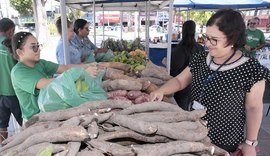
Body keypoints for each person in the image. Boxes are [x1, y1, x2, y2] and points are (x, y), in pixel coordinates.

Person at [150, 9, 269, 155]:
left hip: (224, 141)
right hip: (193, 132)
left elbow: (254, 108)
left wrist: (250, 142)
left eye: (215, 39)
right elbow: (180, 81)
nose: (208, 43)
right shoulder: (200, 58)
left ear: (233, 38)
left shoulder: (251, 70)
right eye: (207, 37)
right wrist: (161, 90)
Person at [8, 32, 98, 120]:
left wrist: (87, 66)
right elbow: (47, 83)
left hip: (49, 112)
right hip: (35, 120)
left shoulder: (39, 63)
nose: (38, 50)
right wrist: (82, 73)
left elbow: (65, 68)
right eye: (33, 47)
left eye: (38, 46)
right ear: (20, 52)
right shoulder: (18, 72)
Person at [170, 20, 204, 110]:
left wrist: (167, 63)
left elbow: (175, 67)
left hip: (182, 87)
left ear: (183, 30)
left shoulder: (181, 48)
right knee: (191, 110)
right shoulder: (200, 48)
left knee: (181, 111)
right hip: (196, 85)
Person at [0, 18, 22, 146]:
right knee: (25, 122)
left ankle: (2, 149)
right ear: (10, 31)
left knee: (2, 125)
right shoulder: (10, 44)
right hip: (13, 91)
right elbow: (22, 66)